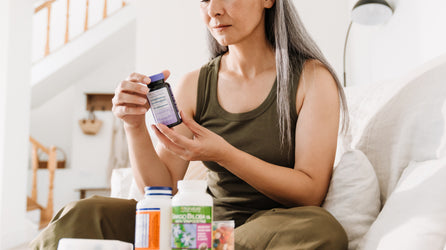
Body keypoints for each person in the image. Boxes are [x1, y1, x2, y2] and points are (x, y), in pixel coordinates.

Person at [31, 0, 349, 249]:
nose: (213, 10)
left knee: (320, 228)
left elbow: (309, 192)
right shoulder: (195, 84)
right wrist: (133, 125)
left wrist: (225, 154)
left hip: (269, 229)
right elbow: (161, 191)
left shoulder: (312, 79)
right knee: (82, 214)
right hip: (194, 227)